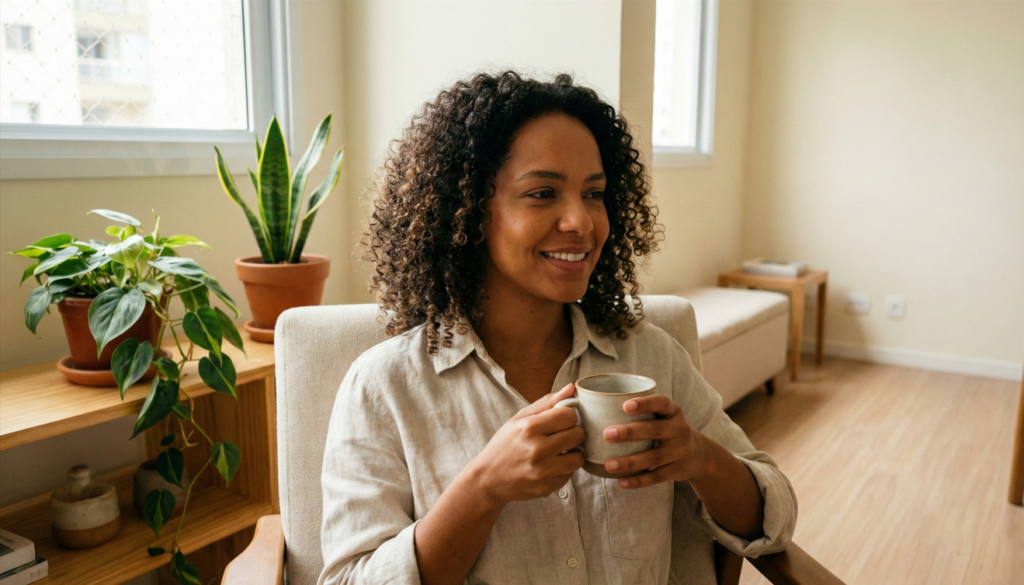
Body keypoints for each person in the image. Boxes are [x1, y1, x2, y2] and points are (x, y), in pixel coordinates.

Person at [320, 71, 797, 585]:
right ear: (467, 211)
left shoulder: (650, 356)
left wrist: (700, 457)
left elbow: (775, 514)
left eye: (594, 194)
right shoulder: (384, 386)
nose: (583, 222)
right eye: (543, 193)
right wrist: (483, 488)